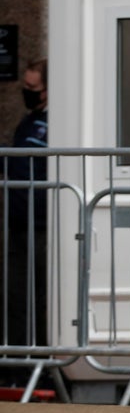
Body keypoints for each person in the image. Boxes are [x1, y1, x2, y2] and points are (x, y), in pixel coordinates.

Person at [4, 58, 49, 350]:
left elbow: (25, 166)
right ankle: (21, 364)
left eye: (33, 88)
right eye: (26, 86)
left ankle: (43, 362)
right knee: (17, 297)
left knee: (41, 298)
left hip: (42, 226)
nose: (27, 92)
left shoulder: (53, 124)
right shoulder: (29, 121)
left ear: (48, 90)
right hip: (20, 224)